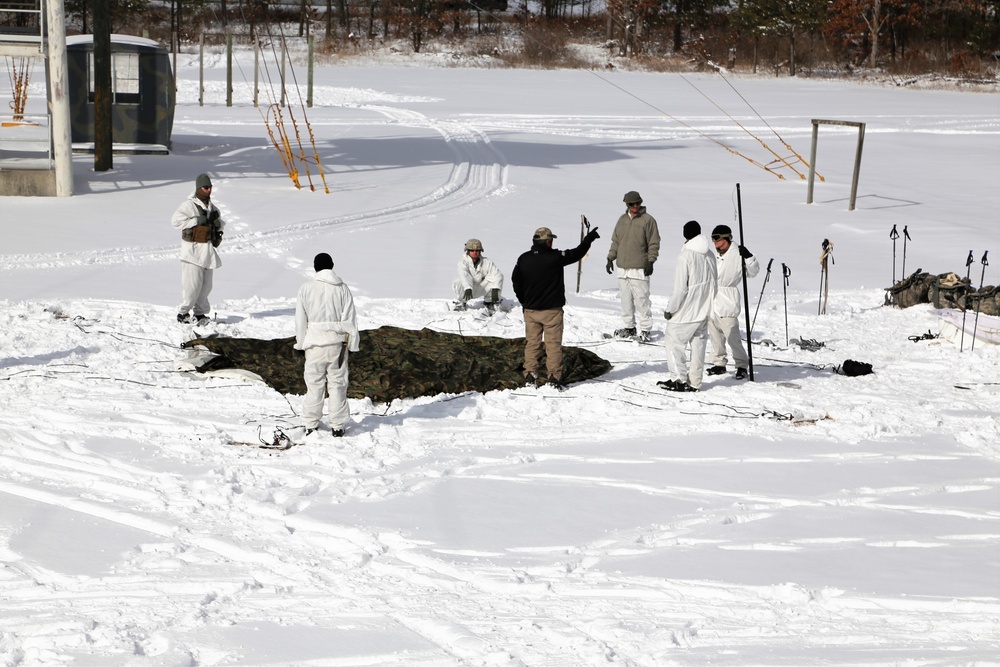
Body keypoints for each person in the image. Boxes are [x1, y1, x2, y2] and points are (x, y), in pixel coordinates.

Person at [512, 225, 600, 388]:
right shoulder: (555, 257)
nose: (552, 243)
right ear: (547, 242)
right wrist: (589, 239)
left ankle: (530, 375)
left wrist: (523, 300)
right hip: (552, 311)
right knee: (553, 345)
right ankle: (553, 377)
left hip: (531, 310)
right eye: (551, 240)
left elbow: (516, 281)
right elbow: (578, 253)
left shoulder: (523, 258)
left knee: (532, 344)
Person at [294, 253, 361, 437]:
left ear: (315, 267)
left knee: (314, 385)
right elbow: (350, 319)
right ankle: (338, 426)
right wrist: (353, 344)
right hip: (337, 345)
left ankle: (310, 423)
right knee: (337, 385)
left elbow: (301, 321)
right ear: (332, 265)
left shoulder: (305, 288)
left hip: (314, 345)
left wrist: (300, 344)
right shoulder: (343, 289)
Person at [659, 220, 717, 392]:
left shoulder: (685, 256)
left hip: (686, 312)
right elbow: (715, 283)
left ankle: (678, 379)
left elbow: (680, 290)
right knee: (698, 347)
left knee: (673, 343)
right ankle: (695, 382)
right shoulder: (710, 255)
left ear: (685, 235)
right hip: (704, 310)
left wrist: (670, 310)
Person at [606, 190, 660, 342]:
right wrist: (610, 257)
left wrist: (650, 261)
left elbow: (654, 243)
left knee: (642, 299)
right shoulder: (622, 220)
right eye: (632, 204)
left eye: (638, 203)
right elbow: (616, 241)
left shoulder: (648, 220)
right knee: (625, 299)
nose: (635, 206)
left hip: (639, 267)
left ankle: (645, 330)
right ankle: (629, 327)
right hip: (623, 267)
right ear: (626, 204)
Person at [171, 173, 225, 325]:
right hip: (192, 252)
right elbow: (175, 221)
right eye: (205, 187)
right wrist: (196, 220)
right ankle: (183, 313)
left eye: (210, 187)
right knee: (192, 286)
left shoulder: (212, 207)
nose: (208, 190)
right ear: (198, 188)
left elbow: (220, 223)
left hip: (207, 252)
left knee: (206, 286)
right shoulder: (188, 205)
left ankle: (200, 314)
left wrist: (217, 225)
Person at [707, 224, 760, 380]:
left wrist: (749, 257)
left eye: (717, 238)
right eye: (712, 238)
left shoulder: (737, 254)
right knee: (715, 335)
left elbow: (753, 272)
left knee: (732, 336)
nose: (714, 241)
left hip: (728, 299)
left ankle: (742, 365)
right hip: (711, 299)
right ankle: (719, 363)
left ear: (727, 238)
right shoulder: (712, 254)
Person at [453, 238, 504, 312]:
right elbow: (464, 275)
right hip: (468, 290)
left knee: (494, 281)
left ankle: (489, 302)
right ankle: (461, 303)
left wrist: (496, 288)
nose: (475, 252)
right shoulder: (462, 263)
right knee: (459, 282)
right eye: (472, 250)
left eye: (477, 251)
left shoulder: (487, 262)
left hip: (481, 287)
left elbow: (497, 274)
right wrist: (467, 287)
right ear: (467, 251)